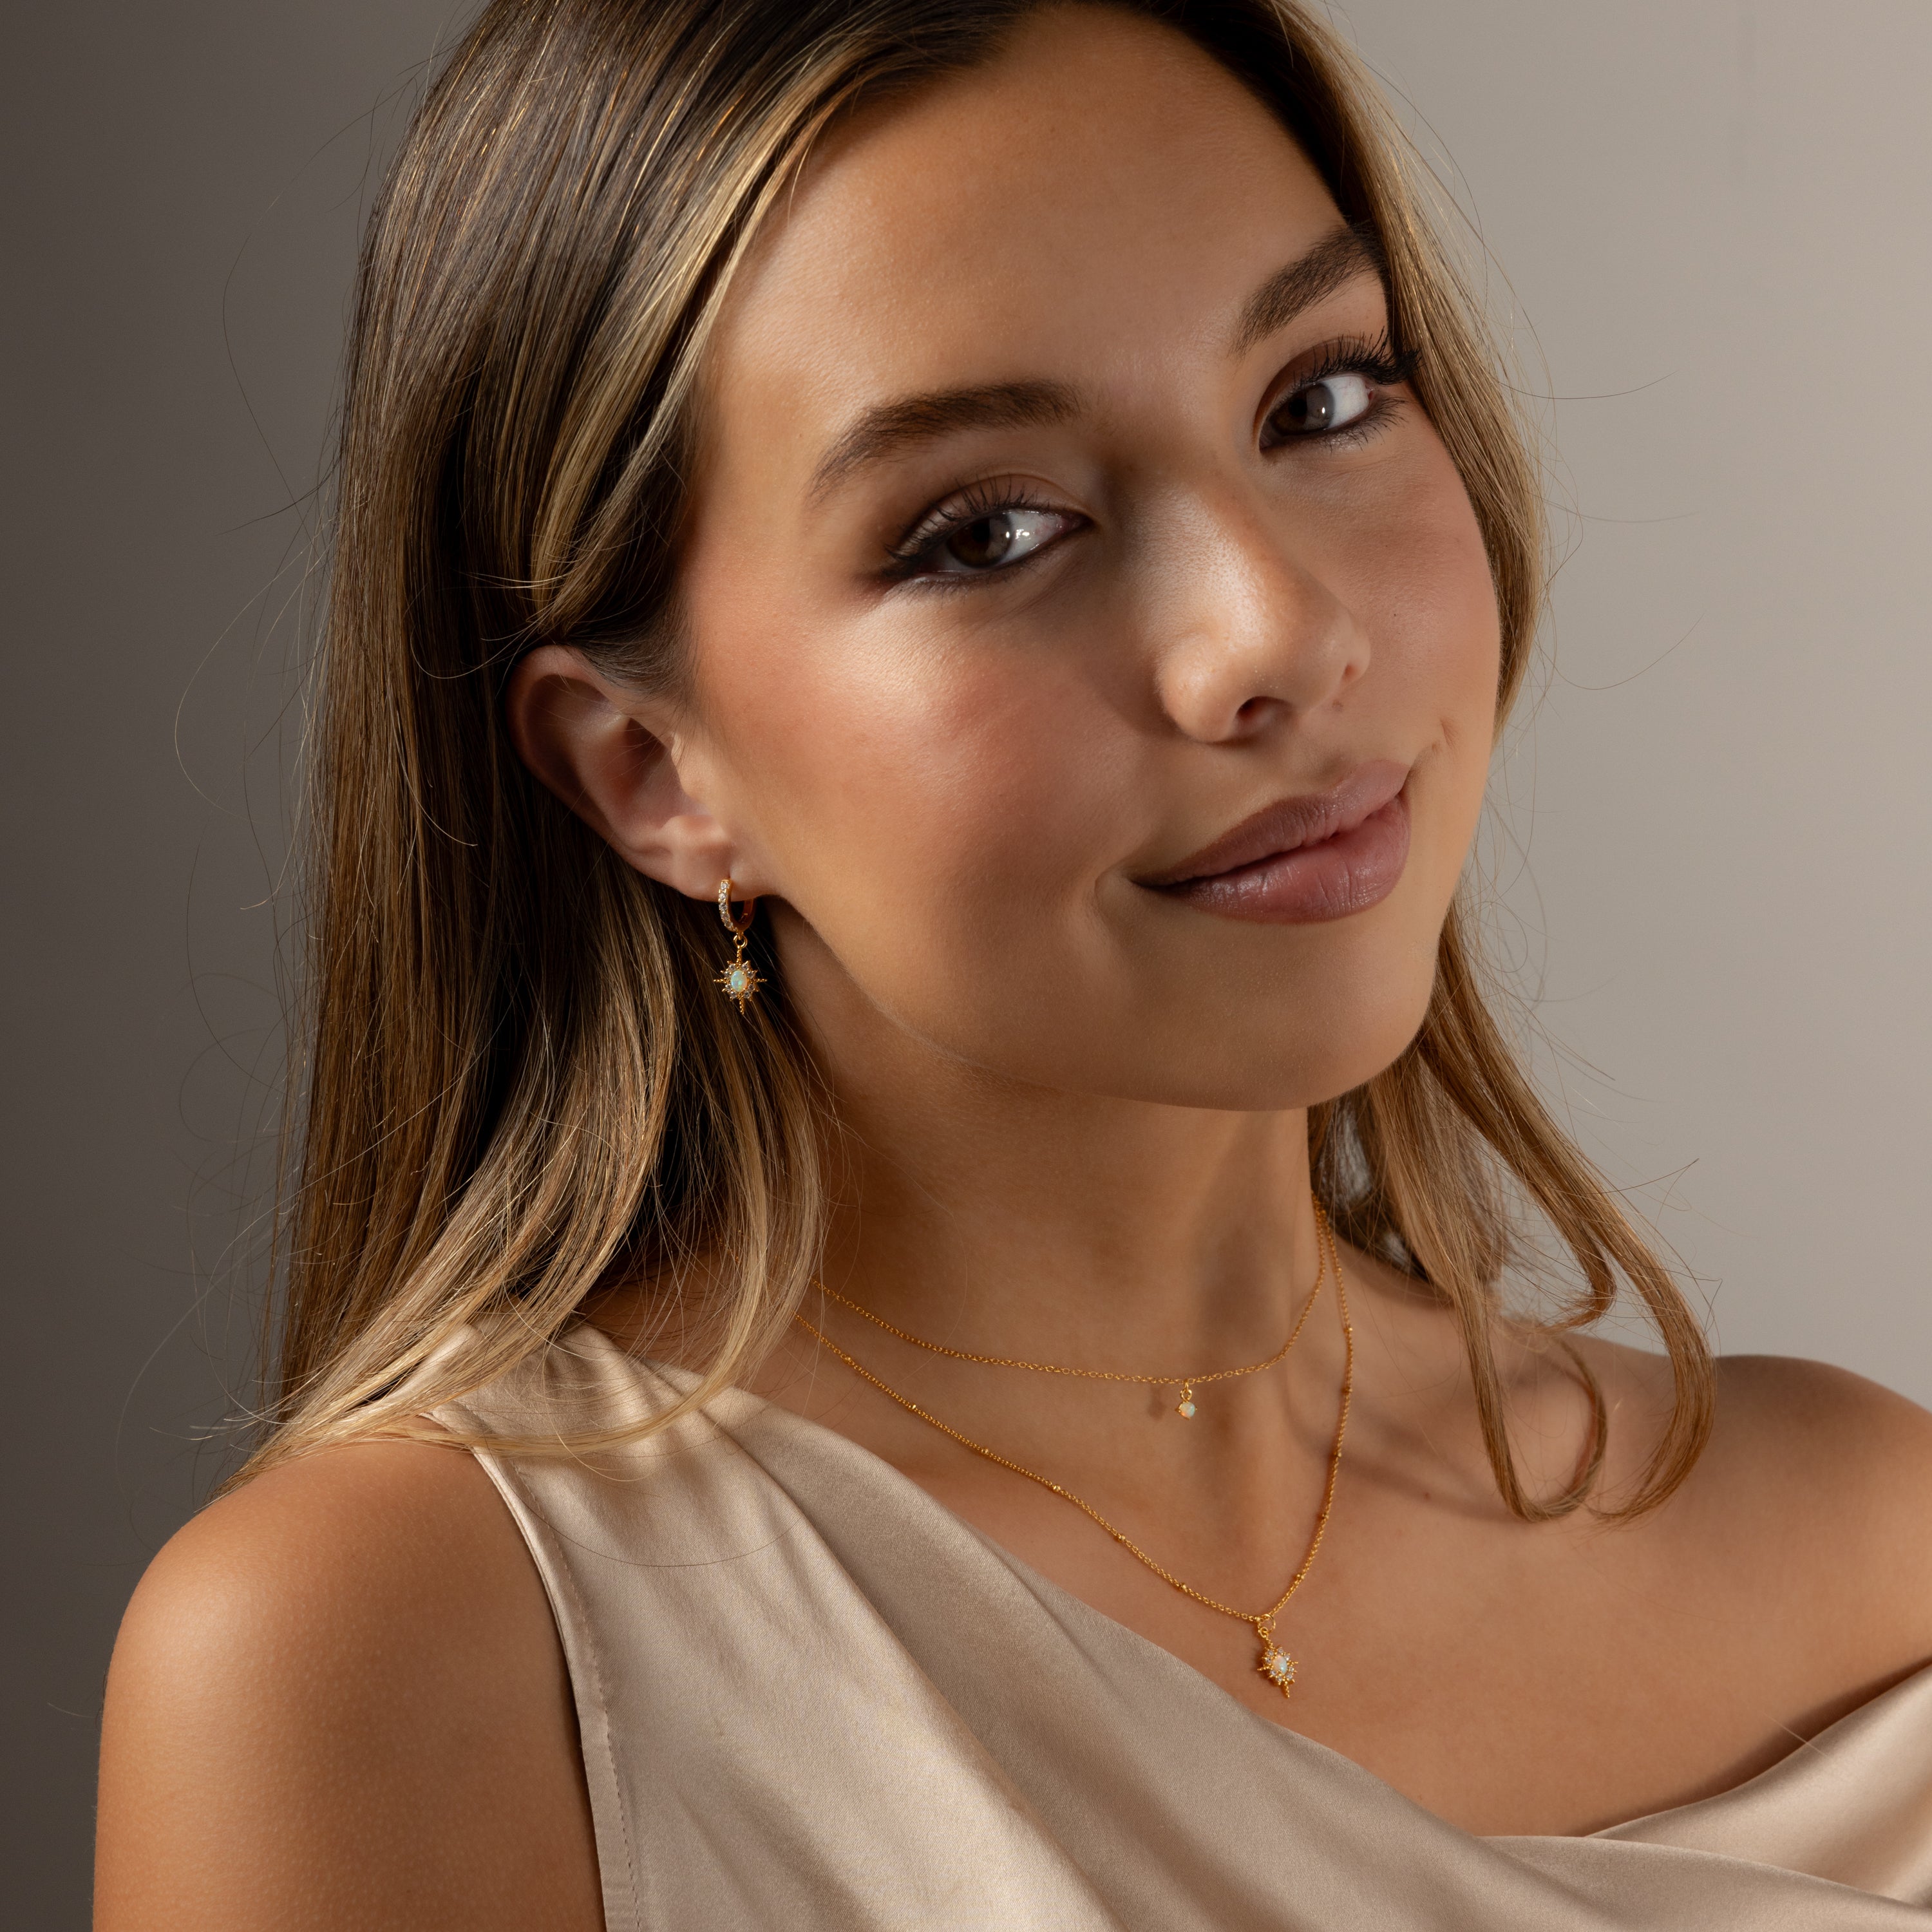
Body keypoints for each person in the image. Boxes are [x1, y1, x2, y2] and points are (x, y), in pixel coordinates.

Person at [94, 1, 1932, 1925]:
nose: (1272, 639)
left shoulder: (1872, 1551)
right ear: (656, 773)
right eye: (990, 530)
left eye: (1317, 399)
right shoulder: (403, 1659)